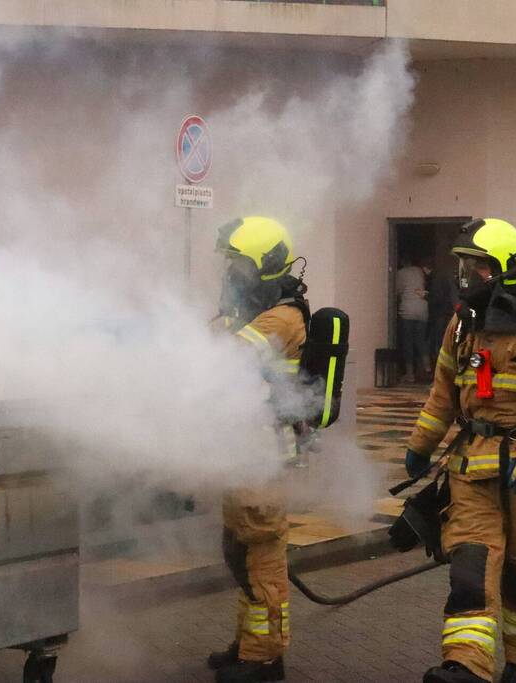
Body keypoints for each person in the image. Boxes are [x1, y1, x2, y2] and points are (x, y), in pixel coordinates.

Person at [403, 219, 516, 683]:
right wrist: (420, 447)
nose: (465, 275)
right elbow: (443, 392)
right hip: (470, 469)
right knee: (470, 566)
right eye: (463, 265)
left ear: (504, 270)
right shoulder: (462, 325)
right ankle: (466, 665)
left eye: (476, 266)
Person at [207, 216, 309, 683]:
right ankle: (249, 643)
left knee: (261, 557)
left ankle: (265, 658)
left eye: (238, 265)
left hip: (264, 454)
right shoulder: (252, 316)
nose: (231, 274)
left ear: (264, 268)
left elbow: (224, 362)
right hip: (243, 450)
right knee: (240, 550)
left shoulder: (281, 319)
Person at [396, 257, 430, 383]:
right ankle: (427, 368)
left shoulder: (400, 273)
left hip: (407, 310)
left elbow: (397, 291)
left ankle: (410, 374)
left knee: (408, 342)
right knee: (421, 340)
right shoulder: (419, 271)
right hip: (422, 309)